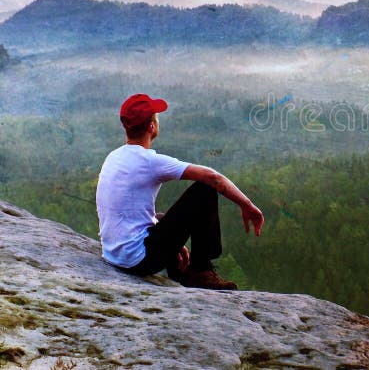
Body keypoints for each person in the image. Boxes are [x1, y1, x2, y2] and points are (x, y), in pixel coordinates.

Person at [96, 93, 264, 290]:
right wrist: (248, 206)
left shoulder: (113, 157)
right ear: (152, 127)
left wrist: (174, 242)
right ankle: (201, 271)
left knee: (158, 217)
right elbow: (213, 178)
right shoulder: (149, 161)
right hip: (138, 261)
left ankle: (180, 274)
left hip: (113, 255)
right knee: (205, 191)